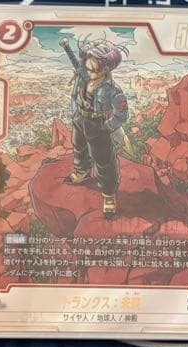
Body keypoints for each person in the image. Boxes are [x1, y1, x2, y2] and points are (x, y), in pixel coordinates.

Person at [60, 37, 130, 219]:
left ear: (105, 69)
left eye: (93, 69)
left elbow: (122, 114)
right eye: (87, 66)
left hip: (98, 125)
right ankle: (82, 171)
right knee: (79, 146)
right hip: (80, 119)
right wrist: (75, 115)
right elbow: (77, 69)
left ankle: (109, 194)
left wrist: (107, 127)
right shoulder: (84, 76)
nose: (87, 70)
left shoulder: (113, 90)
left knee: (103, 159)